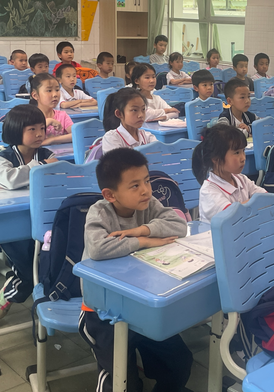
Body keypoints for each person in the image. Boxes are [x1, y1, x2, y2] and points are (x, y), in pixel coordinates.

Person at [79, 149, 193, 392]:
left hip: (141, 306)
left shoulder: (148, 205)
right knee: (123, 382)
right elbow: (98, 248)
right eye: (135, 185)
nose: (145, 190)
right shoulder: (100, 212)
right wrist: (144, 242)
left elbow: (179, 225)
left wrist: (141, 230)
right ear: (110, 194)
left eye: (147, 181)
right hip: (103, 311)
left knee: (180, 362)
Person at [0, 104, 58, 319]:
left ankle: (16, 286)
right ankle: (13, 291)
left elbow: (52, 180)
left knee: (45, 262)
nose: (39, 134)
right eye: (32, 129)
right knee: (29, 267)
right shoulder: (1, 157)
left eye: (42, 128)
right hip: (9, 219)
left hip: (41, 217)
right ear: (16, 131)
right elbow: (10, 179)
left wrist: (16, 179)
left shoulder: (48, 153)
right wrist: (40, 166)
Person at [193, 125, 266, 223]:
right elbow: (232, 216)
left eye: (243, 151)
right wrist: (257, 203)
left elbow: (266, 197)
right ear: (216, 159)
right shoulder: (208, 191)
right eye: (237, 153)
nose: (243, 158)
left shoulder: (242, 179)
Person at [101, 88, 157, 153]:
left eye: (143, 109)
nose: (141, 115)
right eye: (134, 110)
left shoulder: (148, 137)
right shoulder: (111, 138)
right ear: (119, 114)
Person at [28, 73, 72, 145]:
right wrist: (48, 122)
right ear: (35, 95)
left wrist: (52, 140)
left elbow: (76, 134)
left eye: (57, 90)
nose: (55, 94)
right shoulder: (30, 117)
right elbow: (30, 139)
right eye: (49, 90)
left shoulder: (62, 115)